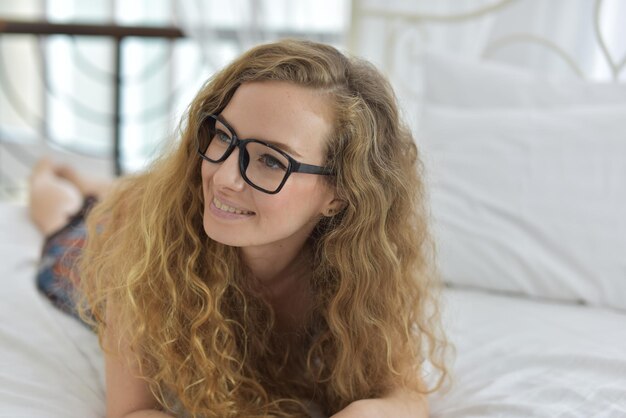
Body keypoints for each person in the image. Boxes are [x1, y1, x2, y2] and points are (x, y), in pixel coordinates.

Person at [29, 39, 450, 418]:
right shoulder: (143, 250)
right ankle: (49, 178)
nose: (225, 175)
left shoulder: (364, 272)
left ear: (339, 193)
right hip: (103, 248)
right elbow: (132, 412)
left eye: (270, 160)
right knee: (65, 216)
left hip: (148, 210)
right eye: (223, 137)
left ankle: (108, 188)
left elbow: (407, 397)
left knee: (129, 196)